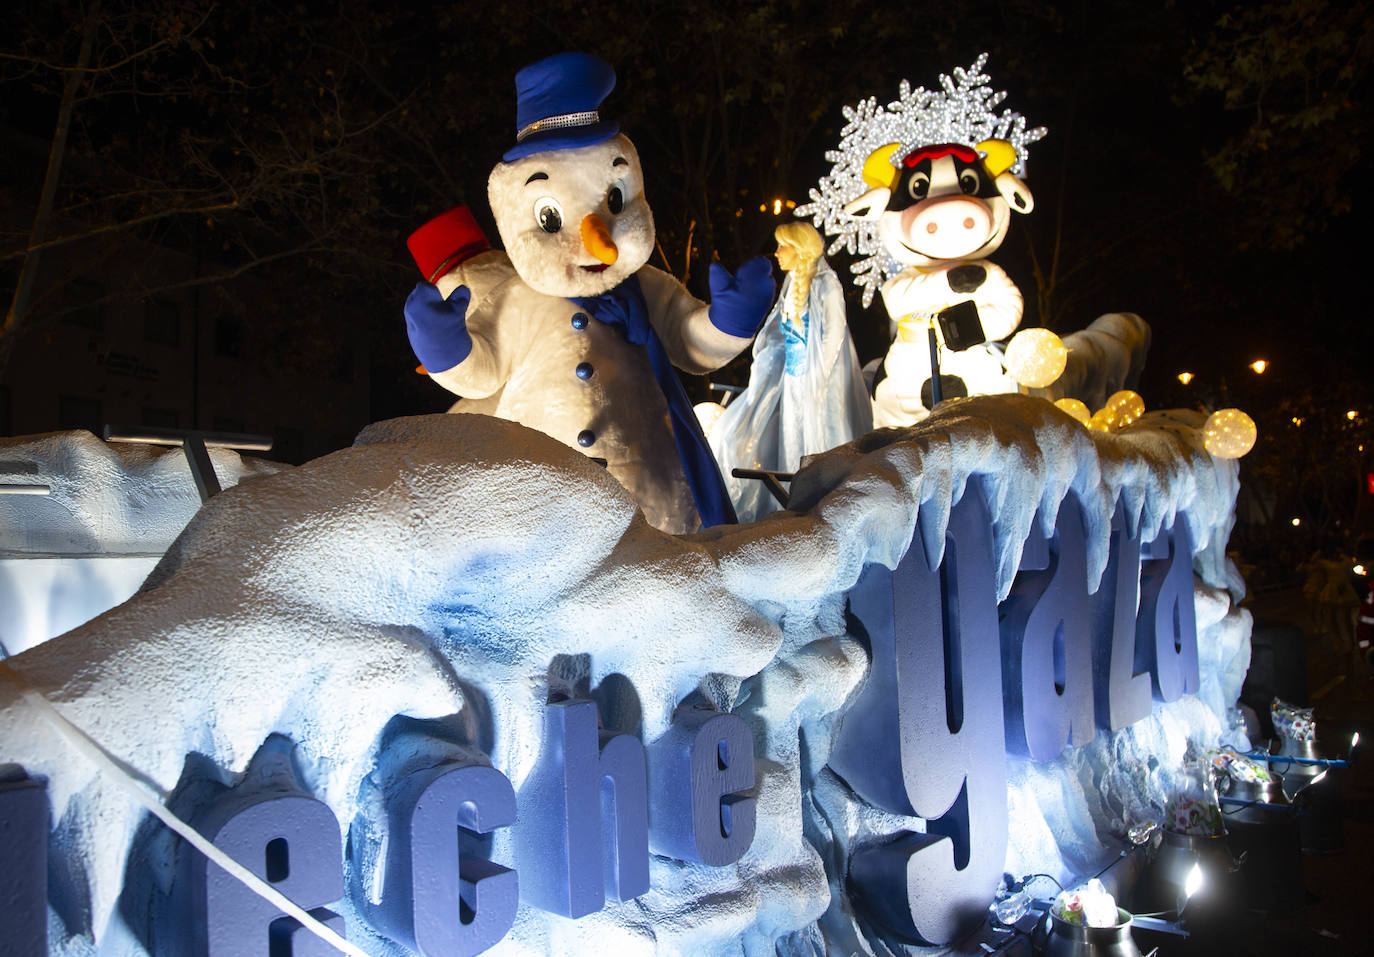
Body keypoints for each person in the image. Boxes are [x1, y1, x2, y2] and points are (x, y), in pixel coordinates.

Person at [708, 221, 872, 522]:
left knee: (817, 437)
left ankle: (823, 511)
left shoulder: (825, 283)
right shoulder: (795, 282)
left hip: (817, 382)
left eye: (784, 246)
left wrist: (819, 380)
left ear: (800, 249)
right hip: (793, 380)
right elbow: (780, 336)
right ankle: (794, 505)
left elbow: (833, 333)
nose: (778, 252)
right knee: (791, 438)